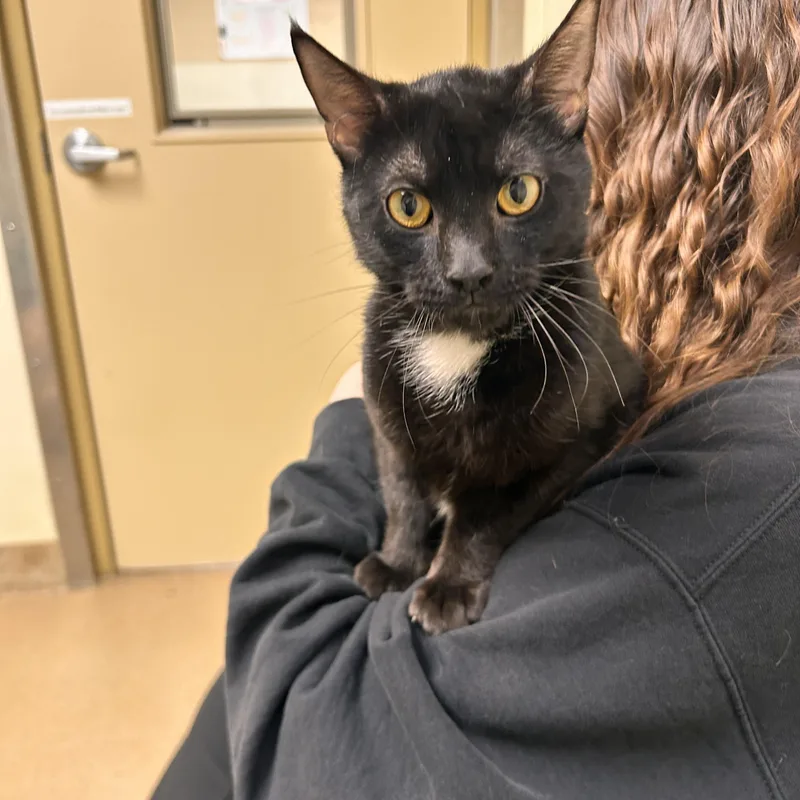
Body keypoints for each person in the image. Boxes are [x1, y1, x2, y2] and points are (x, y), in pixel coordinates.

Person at [152, 0, 800, 797]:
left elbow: (314, 745)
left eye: (515, 198)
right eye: (412, 209)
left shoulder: (703, 486)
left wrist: (362, 445)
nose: (466, 266)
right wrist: (400, 532)